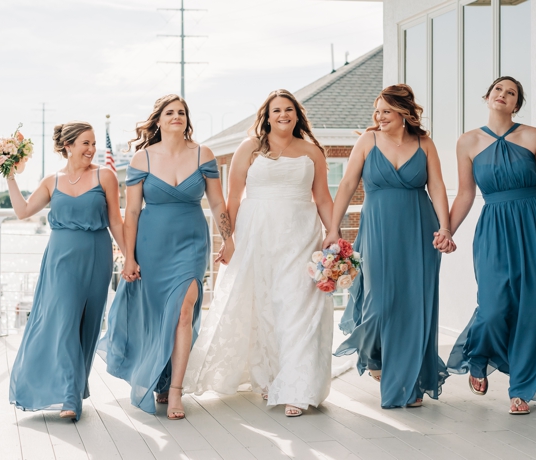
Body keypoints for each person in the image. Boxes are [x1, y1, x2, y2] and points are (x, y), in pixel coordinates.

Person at [184, 90, 335, 417]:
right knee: (263, 305)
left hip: (301, 236)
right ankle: (268, 377)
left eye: (289, 109)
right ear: (266, 116)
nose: (283, 115)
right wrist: (228, 239)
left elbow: (323, 198)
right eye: (277, 110)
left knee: (298, 306)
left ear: (297, 115)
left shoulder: (312, 152)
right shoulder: (249, 148)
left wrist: (334, 233)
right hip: (257, 236)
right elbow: (232, 199)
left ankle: (298, 387)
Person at [445, 76, 536, 415]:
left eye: (511, 93)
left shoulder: (534, 135)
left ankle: (521, 389)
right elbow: (465, 193)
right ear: (487, 96)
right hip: (494, 227)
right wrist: (447, 229)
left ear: (517, 104)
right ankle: (478, 356)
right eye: (498, 90)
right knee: (492, 306)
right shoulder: (467, 142)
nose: (503, 95)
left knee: (532, 308)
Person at [98, 94, 233, 420]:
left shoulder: (203, 153)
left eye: (182, 112)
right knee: (158, 315)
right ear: (158, 120)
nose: (177, 117)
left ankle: (175, 390)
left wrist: (230, 238)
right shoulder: (142, 158)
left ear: (188, 119)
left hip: (190, 242)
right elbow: (131, 211)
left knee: (184, 310)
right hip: (151, 243)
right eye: (170, 112)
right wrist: (128, 257)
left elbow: (217, 203)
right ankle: (158, 377)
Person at [328, 84, 454, 408]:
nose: (379, 117)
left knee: (414, 306)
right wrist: (333, 227)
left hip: (419, 230)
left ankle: (409, 384)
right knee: (378, 303)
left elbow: (437, 185)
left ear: (403, 114)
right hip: (377, 229)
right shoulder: (367, 140)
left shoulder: (424, 143)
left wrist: (445, 227)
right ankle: (375, 357)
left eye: (386, 111)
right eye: (377, 111)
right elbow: (346, 184)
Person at [8, 121, 125, 420]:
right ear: (68, 146)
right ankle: (71, 398)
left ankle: (73, 389)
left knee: (86, 326)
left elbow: (116, 221)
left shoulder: (105, 175)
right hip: (60, 260)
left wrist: (130, 259)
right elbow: (22, 212)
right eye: (85, 143)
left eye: (94, 143)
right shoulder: (52, 181)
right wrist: (9, 175)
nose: (92, 149)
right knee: (63, 323)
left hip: (97, 257)